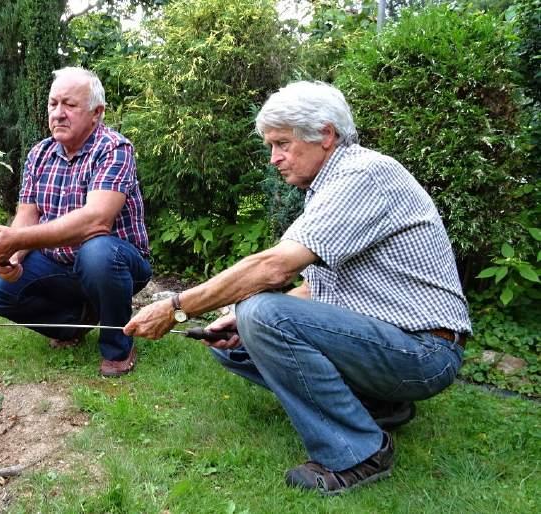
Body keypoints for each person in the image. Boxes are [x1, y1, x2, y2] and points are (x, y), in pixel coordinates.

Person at [124, 81, 471, 494]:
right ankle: (378, 407)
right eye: (271, 146)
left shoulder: (363, 176)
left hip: (424, 352)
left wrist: (178, 307)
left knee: (259, 312)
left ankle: (359, 451)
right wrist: (239, 321)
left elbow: (274, 268)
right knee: (238, 338)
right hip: (390, 343)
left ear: (325, 135)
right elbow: (316, 287)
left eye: (282, 144)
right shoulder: (329, 187)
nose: (274, 159)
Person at [0, 67, 151, 377]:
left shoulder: (114, 149)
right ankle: (74, 323)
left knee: (96, 253)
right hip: (59, 264)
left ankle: (118, 346)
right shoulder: (39, 154)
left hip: (116, 263)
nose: (58, 113)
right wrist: (11, 257)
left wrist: (17, 240)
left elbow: (96, 221)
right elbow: (27, 214)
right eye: (53, 104)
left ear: (97, 112)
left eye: (69, 105)